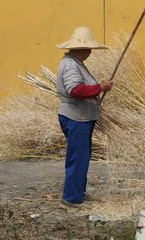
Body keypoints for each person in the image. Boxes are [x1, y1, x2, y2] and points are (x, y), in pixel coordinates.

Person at [56, 26, 113, 207]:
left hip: (80, 118)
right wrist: (100, 88)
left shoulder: (74, 63)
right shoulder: (71, 65)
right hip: (75, 118)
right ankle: (72, 198)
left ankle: (78, 192)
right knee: (77, 157)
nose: (90, 52)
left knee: (81, 156)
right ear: (81, 49)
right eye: (88, 48)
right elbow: (75, 90)